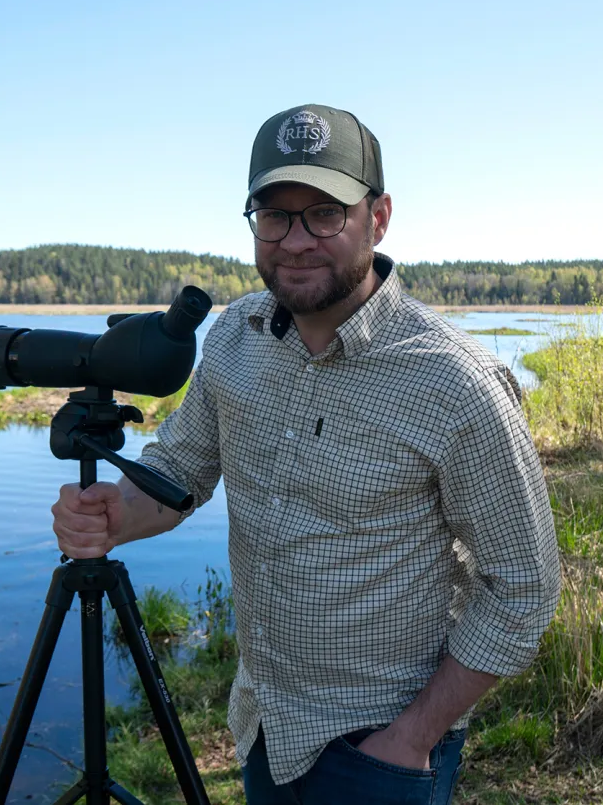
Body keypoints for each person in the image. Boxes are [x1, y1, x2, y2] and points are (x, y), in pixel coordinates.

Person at [51, 104, 562, 805]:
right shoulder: (235, 339)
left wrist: (411, 738)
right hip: (264, 725)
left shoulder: (456, 383)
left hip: (381, 751)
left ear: (377, 218)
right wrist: (118, 512)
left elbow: (524, 587)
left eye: (325, 213)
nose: (296, 240)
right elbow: (182, 469)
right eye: (275, 215)